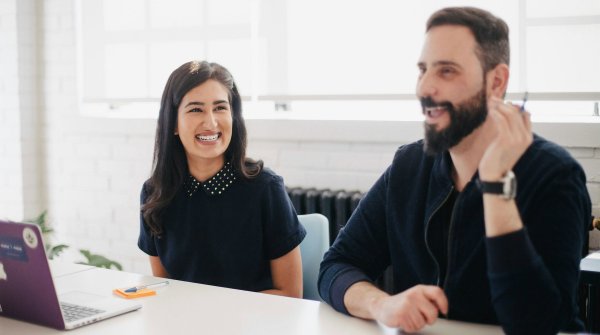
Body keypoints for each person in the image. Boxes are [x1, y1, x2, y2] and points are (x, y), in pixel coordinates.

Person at [318, 6, 590, 334]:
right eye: (423, 70)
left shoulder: (556, 175)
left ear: (497, 81)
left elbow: (537, 325)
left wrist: (496, 187)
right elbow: (336, 266)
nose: (425, 88)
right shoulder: (409, 166)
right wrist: (382, 303)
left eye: (446, 71)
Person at [139, 61, 306, 298]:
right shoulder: (155, 193)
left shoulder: (265, 188)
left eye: (220, 108)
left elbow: (290, 294)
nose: (211, 123)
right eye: (196, 109)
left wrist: (213, 313)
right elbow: (167, 289)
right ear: (173, 123)